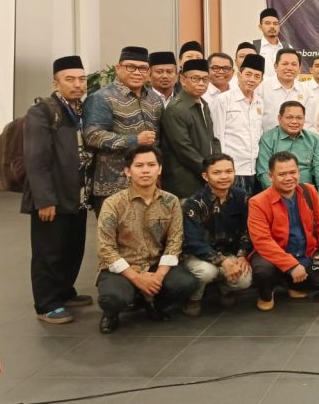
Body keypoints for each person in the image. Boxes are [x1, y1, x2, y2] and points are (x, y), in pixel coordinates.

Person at [95, 146, 200, 333]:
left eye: (151, 165)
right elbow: (105, 248)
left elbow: (174, 242)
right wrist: (136, 278)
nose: (145, 170)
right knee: (113, 298)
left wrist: (158, 276)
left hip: (155, 265)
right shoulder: (113, 203)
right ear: (128, 171)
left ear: (159, 169)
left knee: (187, 283)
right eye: (139, 166)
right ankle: (112, 313)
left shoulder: (171, 201)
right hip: (123, 268)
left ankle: (151, 303)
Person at [22, 56, 94, 324]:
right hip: (53, 195)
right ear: (56, 82)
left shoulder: (80, 109)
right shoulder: (42, 111)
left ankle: (64, 291)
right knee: (48, 252)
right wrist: (44, 200)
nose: (77, 84)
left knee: (72, 248)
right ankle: (46, 304)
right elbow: (36, 160)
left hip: (77, 195)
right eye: (70, 79)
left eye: (82, 79)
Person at [248, 151, 319, 311]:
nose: (289, 178)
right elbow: (262, 241)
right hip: (275, 258)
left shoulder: (309, 191)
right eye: (282, 174)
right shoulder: (258, 202)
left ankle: (292, 284)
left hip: (306, 255)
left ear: (299, 172)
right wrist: (291, 265)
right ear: (271, 176)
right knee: (263, 270)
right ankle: (266, 294)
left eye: (293, 172)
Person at [84, 46, 163, 214]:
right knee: (115, 231)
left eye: (143, 68)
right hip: (113, 186)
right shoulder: (102, 98)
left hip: (148, 184)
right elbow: (93, 136)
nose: (137, 72)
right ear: (118, 68)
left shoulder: (155, 99)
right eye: (131, 67)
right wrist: (135, 140)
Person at [180, 154, 252, 317]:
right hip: (199, 254)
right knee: (207, 272)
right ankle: (194, 298)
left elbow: (247, 230)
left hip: (229, 251)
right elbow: (193, 242)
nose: (224, 176)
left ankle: (224, 289)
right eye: (217, 173)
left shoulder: (241, 196)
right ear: (205, 176)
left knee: (245, 279)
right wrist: (223, 261)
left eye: (228, 171)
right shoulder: (194, 203)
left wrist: (242, 255)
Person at [160, 59, 220, 198]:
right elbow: (184, 148)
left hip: (204, 175)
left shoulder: (204, 104)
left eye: (205, 79)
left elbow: (212, 139)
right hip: (184, 180)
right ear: (183, 79)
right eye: (195, 78)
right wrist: (209, 169)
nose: (201, 83)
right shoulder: (176, 109)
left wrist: (217, 164)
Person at [210, 54, 265, 196]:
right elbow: (217, 136)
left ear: (261, 80)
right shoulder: (223, 100)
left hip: (253, 169)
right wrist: (222, 168)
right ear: (239, 75)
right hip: (232, 170)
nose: (252, 79)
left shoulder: (259, 102)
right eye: (248, 74)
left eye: (257, 76)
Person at [256, 101, 319, 206]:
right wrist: (278, 196)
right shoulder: (268, 139)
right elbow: (263, 172)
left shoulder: (313, 139)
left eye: (299, 118)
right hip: (278, 194)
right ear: (279, 118)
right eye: (289, 117)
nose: (294, 122)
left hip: (307, 192)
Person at [260, 48, 307, 133]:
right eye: (285, 64)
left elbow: (308, 122)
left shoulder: (306, 90)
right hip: (268, 139)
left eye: (294, 64)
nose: (289, 68)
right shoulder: (262, 88)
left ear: (299, 68)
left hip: (298, 140)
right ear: (276, 66)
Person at [253, 8, 289, 80]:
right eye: (267, 23)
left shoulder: (288, 48)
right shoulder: (253, 47)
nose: (272, 26)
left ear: (279, 26)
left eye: (275, 23)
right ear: (260, 27)